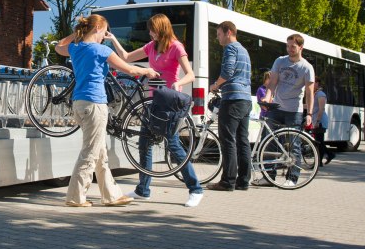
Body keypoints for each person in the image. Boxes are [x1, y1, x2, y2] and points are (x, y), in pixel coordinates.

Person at [55, 14, 159, 208]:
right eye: (103, 31)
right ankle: (75, 197)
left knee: (100, 152)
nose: (104, 36)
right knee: (90, 153)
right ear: (96, 29)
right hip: (95, 104)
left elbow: (57, 46)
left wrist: (76, 32)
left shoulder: (75, 47)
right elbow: (130, 70)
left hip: (79, 103)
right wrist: (147, 71)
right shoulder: (101, 50)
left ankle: (111, 195)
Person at [107, 13, 204, 208]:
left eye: (152, 29)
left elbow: (191, 75)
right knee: (145, 145)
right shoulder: (151, 46)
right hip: (151, 103)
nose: (149, 33)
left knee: (174, 146)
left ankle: (195, 189)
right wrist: (114, 40)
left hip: (167, 103)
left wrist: (179, 83)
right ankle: (143, 190)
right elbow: (126, 57)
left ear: (161, 29)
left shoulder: (176, 47)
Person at [257, 33, 315, 187]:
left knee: (293, 146)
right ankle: (269, 177)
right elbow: (273, 82)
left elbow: (309, 92)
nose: (289, 49)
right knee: (268, 142)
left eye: (293, 47)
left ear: (301, 47)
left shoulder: (307, 67)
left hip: (294, 111)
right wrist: (267, 98)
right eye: (288, 46)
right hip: (276, 108)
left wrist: (309, 113)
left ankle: (292, 178)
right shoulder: (280, 61)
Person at [207, 21, 253, 192]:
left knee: (228, 140)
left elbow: (227, 72)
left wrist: (215, 85)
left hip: (233, 98)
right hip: (246, 99)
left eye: (219, 34)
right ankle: (243, 181)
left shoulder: (231, 48)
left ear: (228, 32)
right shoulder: (244, 50)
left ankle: (228, 181)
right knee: (242, 141)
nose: (217, 38)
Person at [312, 79, 336, 166]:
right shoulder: (315, 94)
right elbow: (311, 106)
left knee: (318, 142)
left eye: (313, 82)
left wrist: (318, 121)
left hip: (320, 121)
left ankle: (319, 162)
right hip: (316, 120)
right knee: (319, 142)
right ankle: (329, 155)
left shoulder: (321, 94)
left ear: (317, 83)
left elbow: (321, 109)